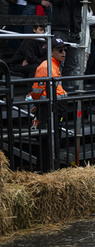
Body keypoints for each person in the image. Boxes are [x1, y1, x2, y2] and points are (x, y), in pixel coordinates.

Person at [31, 37, 69, 173]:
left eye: (64, 50)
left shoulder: (55, 65)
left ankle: (48, 170)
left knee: (53, 140)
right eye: (60, 50)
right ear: (51, 52)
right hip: (48, 108)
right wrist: (39, 103)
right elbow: (37, 90)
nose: (64, 53)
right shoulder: (45, 66)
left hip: (55, 107)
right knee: (47, 141)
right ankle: (44, 171)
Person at [51, 0, 82, 88]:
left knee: (71, 64)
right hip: (61, 29)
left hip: (74, 31)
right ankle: (56, 89)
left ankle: (66, 90)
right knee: (59, 62)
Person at [10, 25, 47, 97]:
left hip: (30, 63)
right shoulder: (29, 40)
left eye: (43, 30)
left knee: (43, 66)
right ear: (34, 30)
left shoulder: (43, 40)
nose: (42, 32)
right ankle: (30, 94)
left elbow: (45, 57)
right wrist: (32, 60)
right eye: (40, 30)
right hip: (17, 64)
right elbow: (31, 57)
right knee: (35, 67)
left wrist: (32, 60)